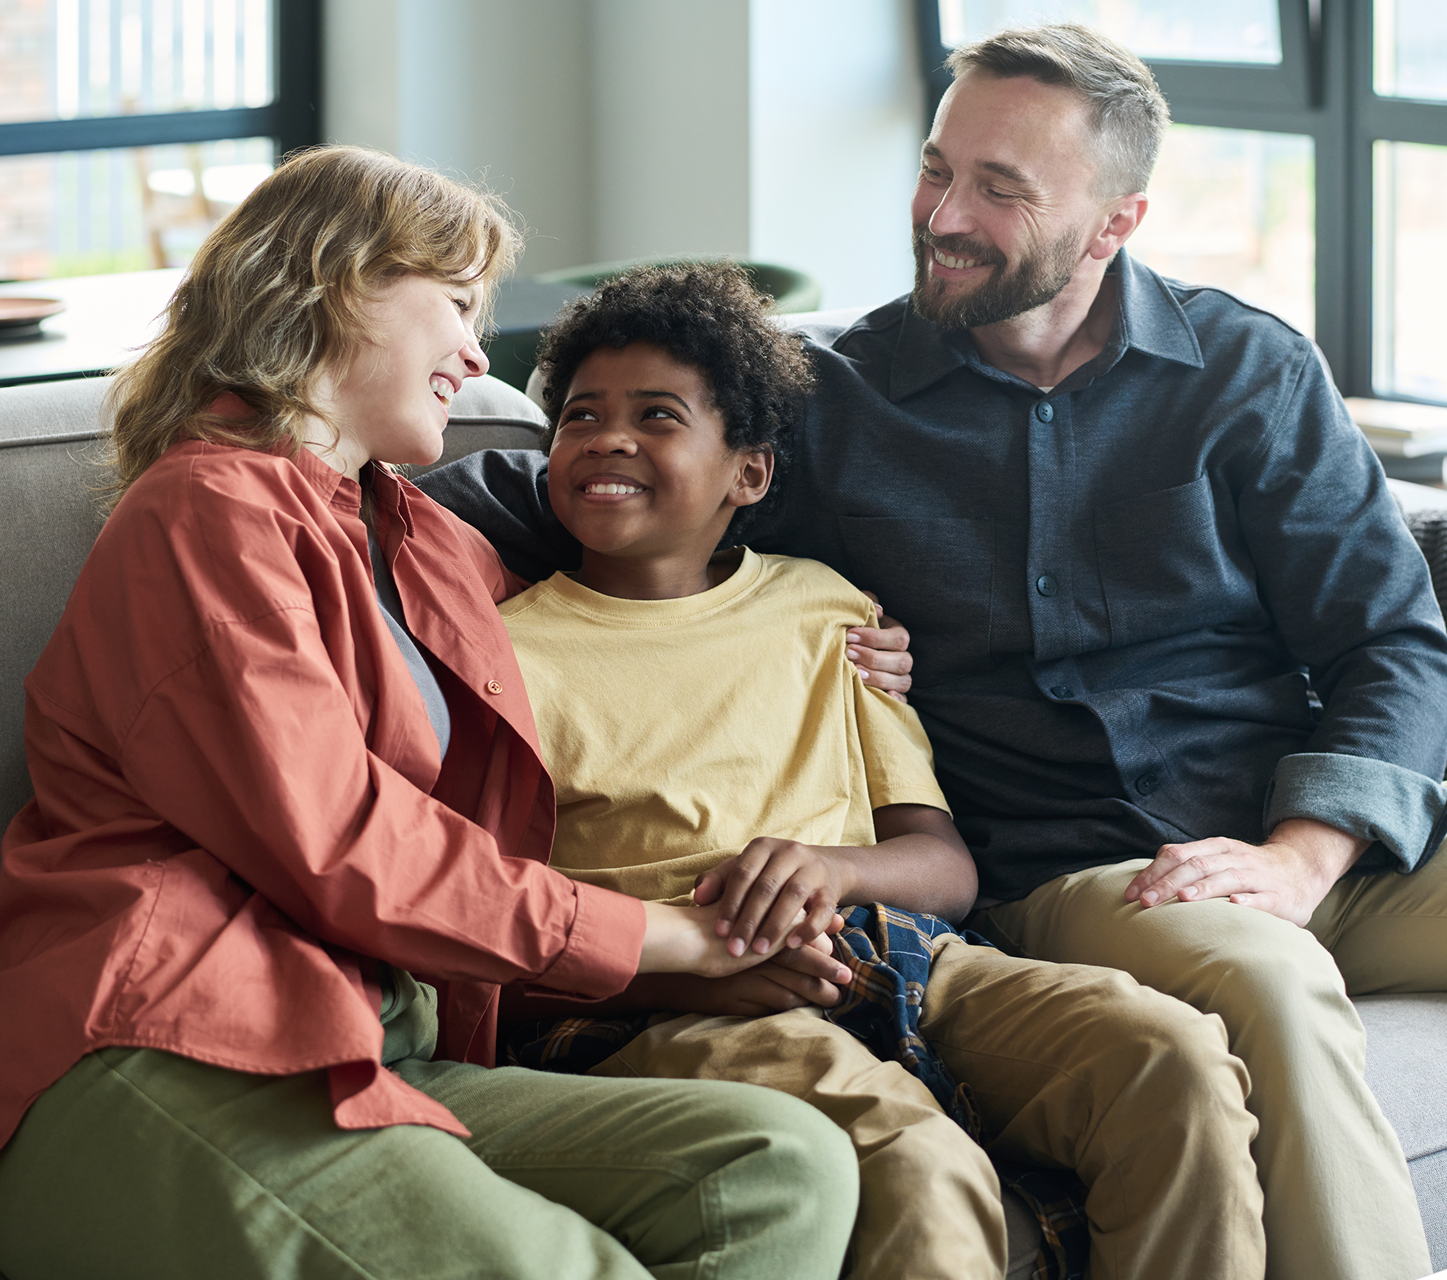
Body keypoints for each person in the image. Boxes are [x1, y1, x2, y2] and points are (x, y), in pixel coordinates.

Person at [420, 22, 1447, 1280]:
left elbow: (1391, 642)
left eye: (999, 189)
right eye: (937, 167)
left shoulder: (1246, 373)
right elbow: (618, 512)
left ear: (1116, 222)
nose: (941, 214)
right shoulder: (837, 409)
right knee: (1268, 986)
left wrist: (1302, 852)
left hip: (1319, 838)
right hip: (1092, 872)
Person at [0, 145, 863, 1280]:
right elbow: (348, 842)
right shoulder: (202, 514)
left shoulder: (429, 540)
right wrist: (681, 940)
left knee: (778, 1163)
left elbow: (613, 639)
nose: (476, 351)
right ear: (335, 279)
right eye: (457, 304)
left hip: (372, 1042)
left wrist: (830, 638)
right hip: (155, 1048)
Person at [462, 261, 1265, 1280]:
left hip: (900, 949)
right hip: (670, 1003)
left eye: (657, 415)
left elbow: (943, 865)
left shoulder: (830, 611)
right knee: (919, 1161)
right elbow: (487, 917)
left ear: (747, 474)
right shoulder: (502, 656)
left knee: (1173, 1056)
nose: (608, 439)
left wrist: (830, 868)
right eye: (580, 417)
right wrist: (699, 961)